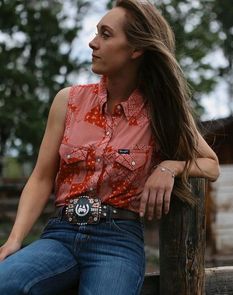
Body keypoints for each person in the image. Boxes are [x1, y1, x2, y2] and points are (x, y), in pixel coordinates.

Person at [0, 0, 220, 294]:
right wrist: (15, 239)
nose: (93, 43)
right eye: (96, 33)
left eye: (105, 35)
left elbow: (211, 164)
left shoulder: (161, 112)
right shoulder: (68, 101)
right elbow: (41, 177)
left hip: (117, 242)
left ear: (135, 49)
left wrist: (170, 167)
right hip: (60, 235)